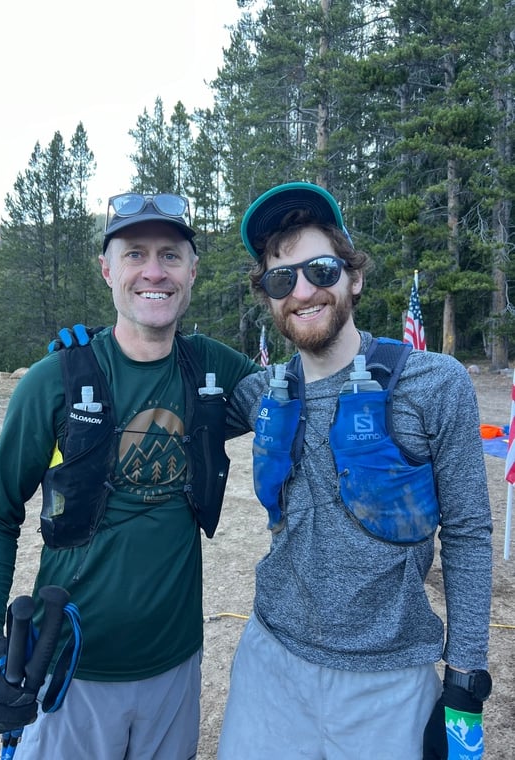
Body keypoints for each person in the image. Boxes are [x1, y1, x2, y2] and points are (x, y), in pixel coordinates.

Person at [0, 192, 260, 760]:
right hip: (70, 667)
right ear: (107, 269)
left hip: (176, 669)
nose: (154, 271)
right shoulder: (55, 381)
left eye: (171, 255)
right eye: (135, 254)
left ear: (192, 272)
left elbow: (300, 394)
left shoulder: (213, 368)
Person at [219, 182, 493, 760]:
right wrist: (104, 349)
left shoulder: (435, 383)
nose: (302, 291)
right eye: (280, 278)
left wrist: (466, 680)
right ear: (268, 297)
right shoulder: (264, 395)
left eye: (319, 269)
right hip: (269, 666)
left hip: (391, 683)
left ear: (354, 276)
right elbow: (169, 375)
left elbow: (468, 532)